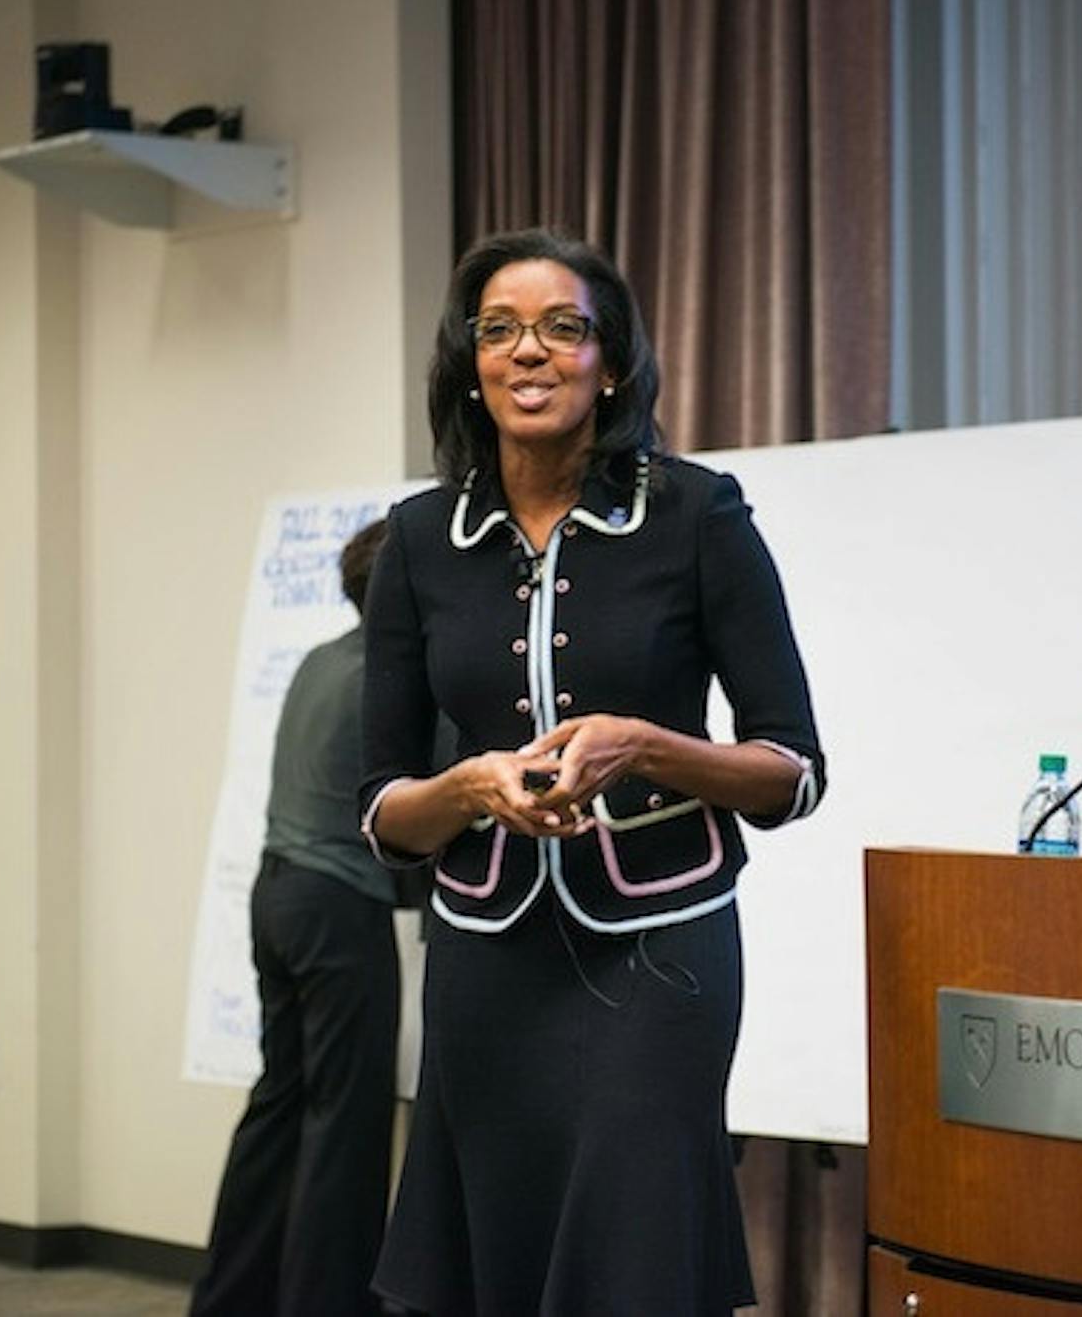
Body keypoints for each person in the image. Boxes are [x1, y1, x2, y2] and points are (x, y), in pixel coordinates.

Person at [358, 228, 826, 1315]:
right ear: (468, 367)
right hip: (482, 957)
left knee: (632, 1251)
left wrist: (647, 746)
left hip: (660, 952)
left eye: (563, 328)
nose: (530, 350)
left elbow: (793, 770)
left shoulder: (697, 514)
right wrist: (468, 787)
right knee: (498, 1252)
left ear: (608, 363)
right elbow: (382, 808)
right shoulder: (421, 541)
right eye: (499, 330)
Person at [192, 518, 401, 1317]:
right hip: (337, 907)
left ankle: (230, 1299)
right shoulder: (391, 677)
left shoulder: (318, 661)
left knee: (280, 1104)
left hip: (274, 898)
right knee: (343, 1123)